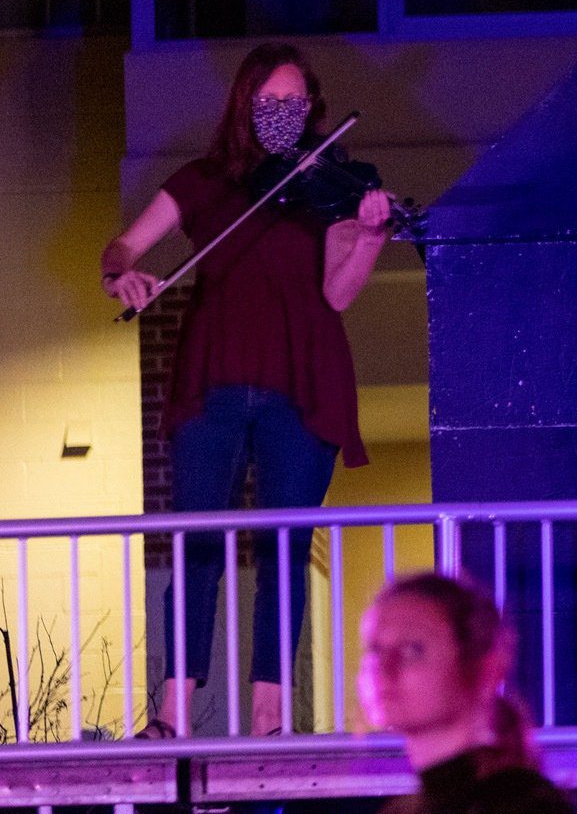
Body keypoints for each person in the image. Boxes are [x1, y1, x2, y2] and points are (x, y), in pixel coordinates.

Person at [102, 42, 392, 737]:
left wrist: (371, 236)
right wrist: (124, 277)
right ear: (243, 104)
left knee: (284, 548)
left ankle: (268, 716)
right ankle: (171, 715)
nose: (283, 116)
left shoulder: (327, 185)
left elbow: (336, 293)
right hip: (217, 370)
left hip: (303, 375)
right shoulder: (203, 179)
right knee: (197, 540)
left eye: (296, 105)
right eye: (269, 104)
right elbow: (123, 247)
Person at [361, 572, 577, 814]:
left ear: (486, 669)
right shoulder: (404, 809)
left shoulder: (525, 807)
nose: (383, 667)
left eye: (413, 649)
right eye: (376, 649)